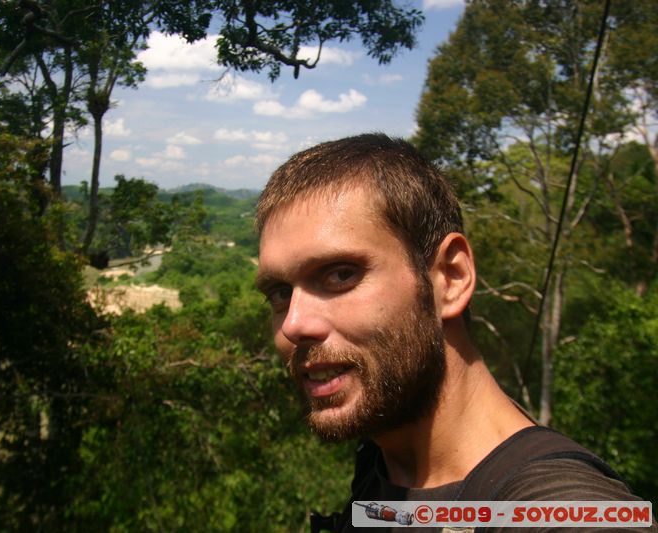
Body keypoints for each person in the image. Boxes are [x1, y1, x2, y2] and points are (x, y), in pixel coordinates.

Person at [254, 134, 654, 532]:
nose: (293, 324)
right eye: (280, 293)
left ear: (451, 278)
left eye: (341, 275)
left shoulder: (565, 511)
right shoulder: (383, 466)